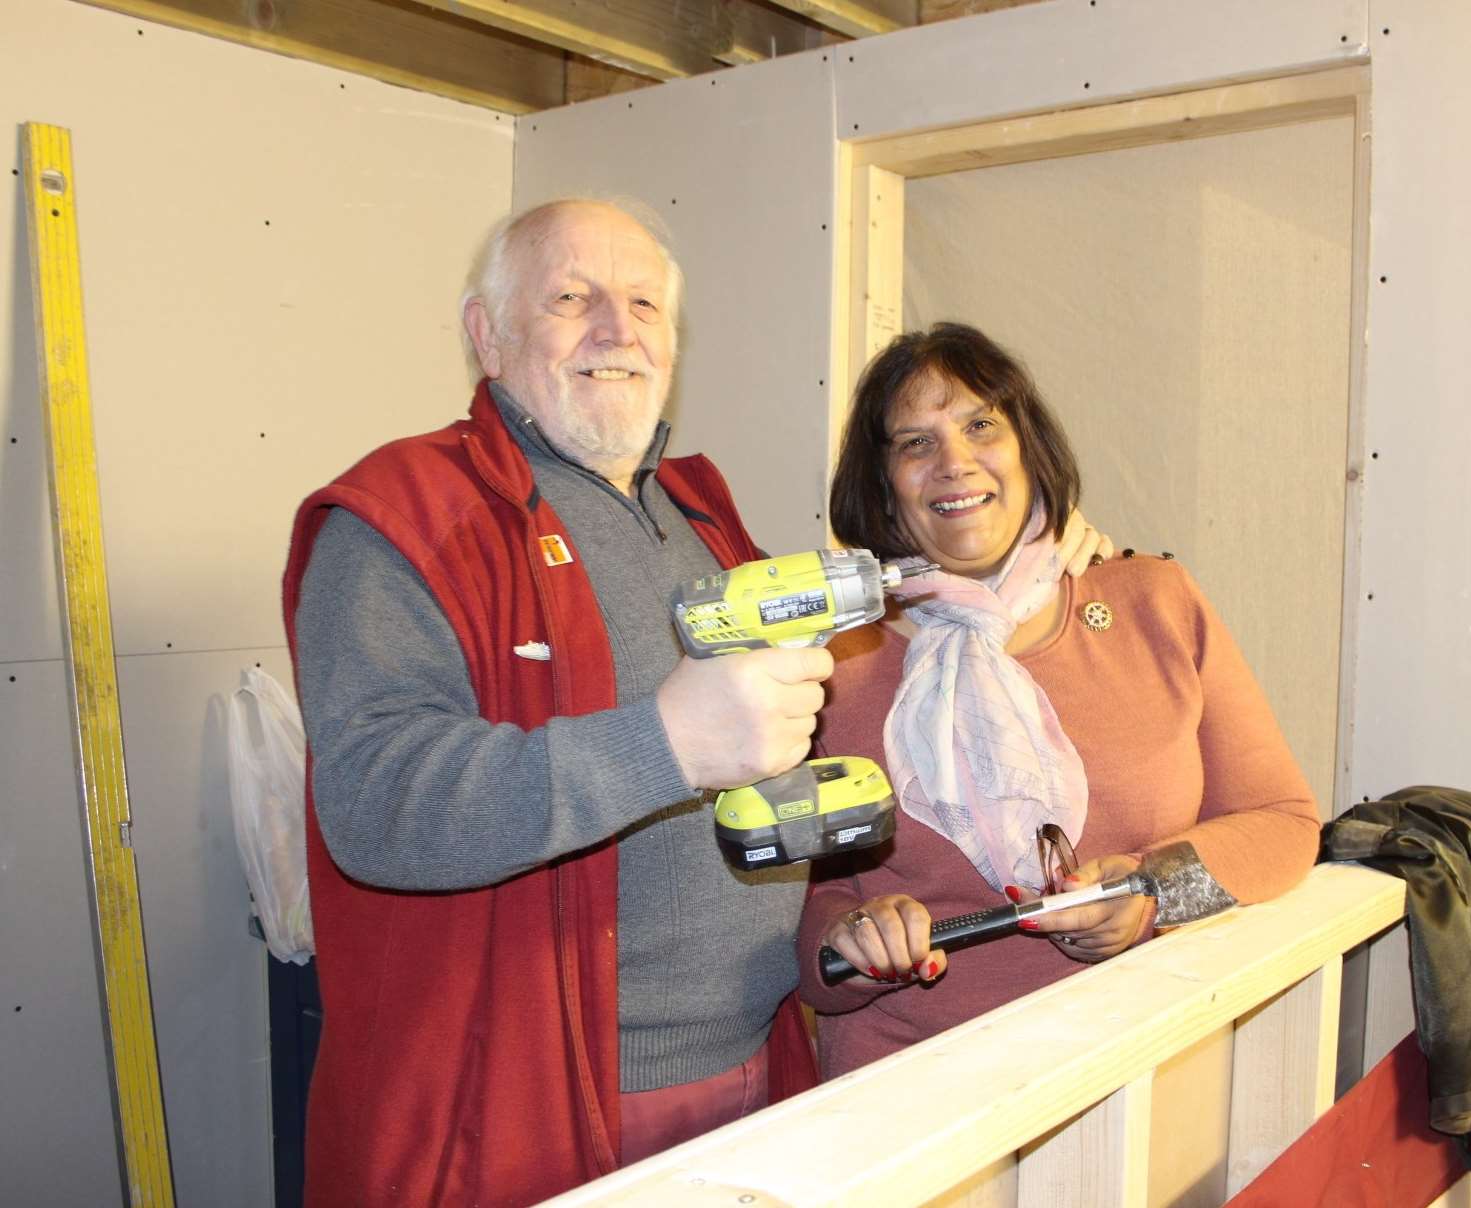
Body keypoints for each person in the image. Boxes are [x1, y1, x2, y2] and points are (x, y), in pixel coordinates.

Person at [281, 200, 838, 1206]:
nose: (616, 330)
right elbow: (374, 803)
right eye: (571, 298)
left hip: (756, 1069)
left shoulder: (706, 515)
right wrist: (663, 743)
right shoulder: (401, 516)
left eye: (641, 304)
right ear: (485, 333)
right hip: (526, 1108)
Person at [796, 322, 1321, 1078]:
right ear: (881, 485)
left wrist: (1152, 891)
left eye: (981, 425)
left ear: (1027, 448)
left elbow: (1284, 825)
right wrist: (852, 940)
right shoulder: (833, 663)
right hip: (914, 1096)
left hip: (1147, 1073)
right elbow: (808, 932)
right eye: (914, 443)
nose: (954, 462)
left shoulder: (1153, 601)